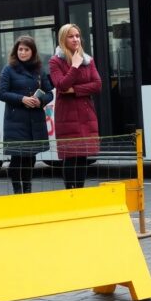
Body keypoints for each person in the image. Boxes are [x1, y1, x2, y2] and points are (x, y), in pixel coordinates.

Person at [0, 36, 53, 194]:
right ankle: (17, 191)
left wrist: (40, 101)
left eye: (26, 49)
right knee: (17, 158)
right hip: (16, 120)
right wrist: (22, 99)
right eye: (20, 49)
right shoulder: (8, 69)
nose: (22, 52)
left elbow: (49, 93)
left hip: (34, 120)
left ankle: (27, 191)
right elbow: (2, 93)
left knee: (30, 157)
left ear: (32, 51)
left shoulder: (39, 70)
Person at [49, 23, 101, 189]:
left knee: (83, 157)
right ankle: (70, 193)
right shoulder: (55, 61)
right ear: (64, 39)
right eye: (71, 36)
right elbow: (62, 85)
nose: (75, 39)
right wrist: (75, 66)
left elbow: (98, 84)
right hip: (68, 116)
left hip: (86, 115)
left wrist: (75, 90)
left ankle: (80, 192)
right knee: (71, 157)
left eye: (77, 36)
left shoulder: (88, 59)